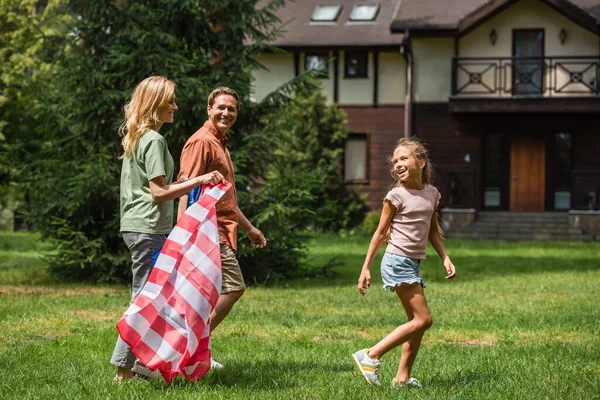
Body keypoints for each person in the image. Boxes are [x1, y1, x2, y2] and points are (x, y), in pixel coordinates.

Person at [111, 76, 225, 383]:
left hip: (139, 227)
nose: (175, 107)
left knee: (150, 296)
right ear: (155, 104)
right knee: (144, 298)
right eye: (170, 101)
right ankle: (124, 370)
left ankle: (138, 366)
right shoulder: (154, 141)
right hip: (148, 229)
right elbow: (159, 193)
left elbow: (158, 188)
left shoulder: (141, 137)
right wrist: (200, 180)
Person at [352, 137, 456, 389]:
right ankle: (370, 355)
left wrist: (445, 257)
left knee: (415, 324)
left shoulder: (432, 194)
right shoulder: (396, 195)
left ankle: (402, 379)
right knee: (424, 320)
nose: (397, 164)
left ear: (420, 163)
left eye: (403, 158)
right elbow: (379, 233)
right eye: (395, 161)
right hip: (396, 261)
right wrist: (365, 267)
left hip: (413, 262)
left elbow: (432, 231)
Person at [177, 87, 266, 369]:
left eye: (232, 109)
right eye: (221, 107)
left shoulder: (220, 143)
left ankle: (196, 352)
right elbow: (183, 187)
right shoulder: (201, 142)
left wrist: (250, 228)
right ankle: (188, 347)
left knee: (207, 296)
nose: (227, 113)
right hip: (207, 233)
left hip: (223, 230)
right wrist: (183, 234)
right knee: (234, 287)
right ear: (209, 108)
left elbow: (225, 198)